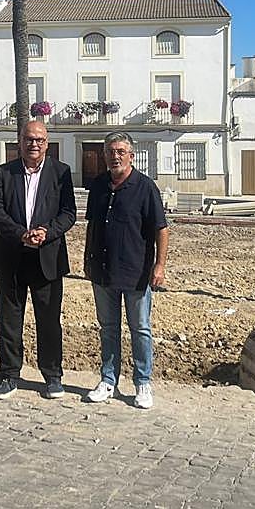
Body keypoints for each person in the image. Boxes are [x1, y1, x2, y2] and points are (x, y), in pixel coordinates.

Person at [0, 120, 77, 400]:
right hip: (11, 256)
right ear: (20, 142)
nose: (34, 144)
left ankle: (52, 376)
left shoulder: (61, 172)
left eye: (39, 140)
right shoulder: (5, 172)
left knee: (48, 321)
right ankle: (9, 375)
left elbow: (68, 213)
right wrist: (21, 234)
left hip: (47, 258)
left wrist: (46, 232)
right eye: (28, 139)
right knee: (9, 320)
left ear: (47, 143)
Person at [82, 130, 168, 410]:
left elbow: (161, 229)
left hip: (136, 271)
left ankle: (143, 383)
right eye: (110, 152)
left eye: (120, 151)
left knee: (140, 329)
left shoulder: (145, 187)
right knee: (108, 328)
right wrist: (87, 260)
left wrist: (159, 266)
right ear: (105, 155)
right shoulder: (98, 186)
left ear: (131, 155)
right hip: (103, 271)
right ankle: (108, 380)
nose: (115, 156)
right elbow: (92, 225)